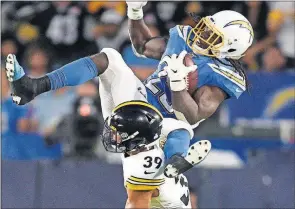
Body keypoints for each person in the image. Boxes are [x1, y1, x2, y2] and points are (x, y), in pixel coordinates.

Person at [6, 1, 256, 178]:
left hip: (160, 127)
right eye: (205, 29)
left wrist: (179, 85)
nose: (201, 36)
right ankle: (32, 86)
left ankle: (175, 162)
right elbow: (143, 46)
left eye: (212, 37)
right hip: (133, 102)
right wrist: (135, 11)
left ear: (228, 49)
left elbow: (193, 115)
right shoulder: (185, 38)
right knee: (110, 57)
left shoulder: (221, 75)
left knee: (180, 129)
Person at [102, 101, 194, 208]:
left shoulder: (144, 165)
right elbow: (182, 128)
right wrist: (176, 154)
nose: (113, 136)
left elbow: (137, 205)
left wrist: (176, 154)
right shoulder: (154, 133)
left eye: (117, 132)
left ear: (134, 135)